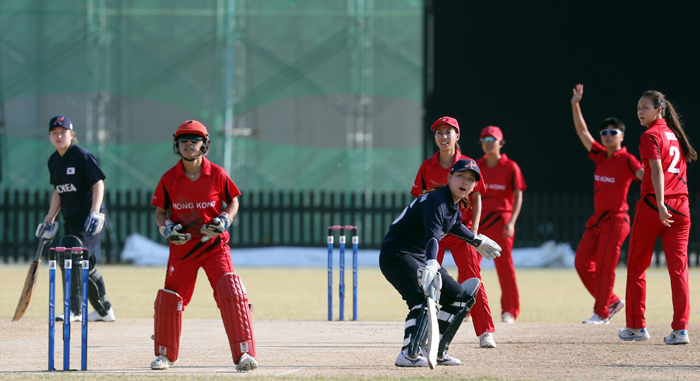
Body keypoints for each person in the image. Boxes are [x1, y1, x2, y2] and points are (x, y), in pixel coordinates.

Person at [149, 120, 257, 371]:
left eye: (194, 140)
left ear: (204, 145)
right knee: (171, 300)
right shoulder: (169, 178)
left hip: (214, 248)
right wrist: (167, 229)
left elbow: (233, 203)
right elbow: (160, 213)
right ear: (177, 145)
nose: (189, 145)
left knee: (231, 294)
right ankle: (165, 354)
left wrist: (224, 219)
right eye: (183, 141)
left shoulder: (218, 174)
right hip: (182, 250)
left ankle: (244, 354)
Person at [382, 158, 502, 367]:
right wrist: (430, 263)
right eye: (460, 176)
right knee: (422, 299)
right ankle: (408, 355)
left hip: (416, 256)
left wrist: (477, 240)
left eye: (471, 179)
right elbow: (432, 237)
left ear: (475, 186)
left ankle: (436, 351)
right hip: (397, 254)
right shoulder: (437, 200)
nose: (465, 181)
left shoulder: (453, 206)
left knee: (459, 297)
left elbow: (455, 226)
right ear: (449, 177)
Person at [411, 116, 498, 348]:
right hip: (434, 233)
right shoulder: (427, 166)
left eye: (448, 132)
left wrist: (475, 233)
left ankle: (485, 332)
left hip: (462, 232)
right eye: (439, 133)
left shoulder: (468, 164)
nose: (443, 137)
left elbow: (477, 198)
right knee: (427, 281)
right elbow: (419, 199)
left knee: (473, 279)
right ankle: (425, 331)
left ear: (457, 136)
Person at [618, 91, 696, 344]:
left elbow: (656, 169)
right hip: (682, 206)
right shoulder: (675, 134)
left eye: (645, 107)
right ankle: (680, 330)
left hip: (655, 205)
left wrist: (661, 203)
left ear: (659, 109)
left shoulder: (650, 135)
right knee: (679, 270)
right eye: (638, 107)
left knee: (636, 266)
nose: (640, 112)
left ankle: (636, 327)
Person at [570, 84, 644, 325]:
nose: (608, 135)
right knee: (581, 263)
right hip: (598, 219)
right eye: (605, 133)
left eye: (613, 132)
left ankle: (602, 311)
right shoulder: (600, 155)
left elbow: (645, 175)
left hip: (617, 220)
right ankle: (612, 300)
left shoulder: (628, 159)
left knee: (604, 267)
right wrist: (575, 104)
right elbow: (583, 133)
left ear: (622, 136)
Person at [36, 115, 115, 323]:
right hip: (70, 218)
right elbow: (58, 191)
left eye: (63, 132)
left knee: (70, 253)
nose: (59, 136)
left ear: (72, 135)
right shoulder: (53, 160)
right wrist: (49, 218)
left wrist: (96, 211)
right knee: (84, 264)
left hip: (90, 217)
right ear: (50, 136)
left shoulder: (82, 156)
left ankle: (75, 310)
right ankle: (104, 310)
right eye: (54, 133)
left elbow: (98, 184)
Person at [475, 126, 527, 323]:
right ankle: (465, 309)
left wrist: (512, 222)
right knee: (470, 266)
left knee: (505, 267)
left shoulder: (510, 166)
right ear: (481, 143)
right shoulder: (476, 167)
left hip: (502, 222)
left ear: (500, 142)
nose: (489, 143)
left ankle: (510, 311)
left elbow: (518, 195)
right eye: (485, 139)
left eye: (493, 139)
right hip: (479, 222)